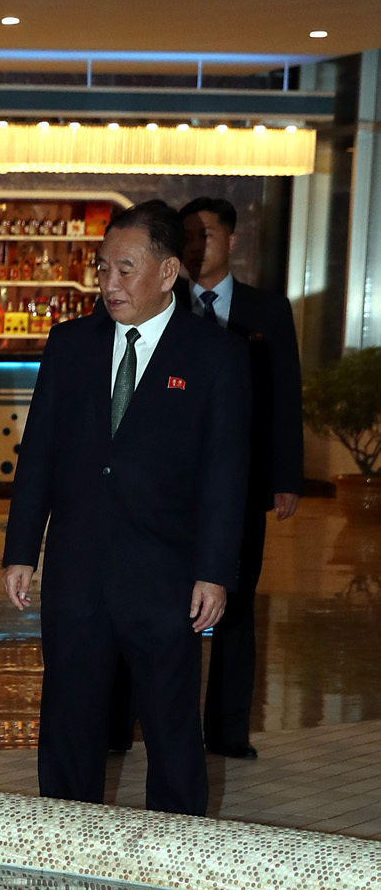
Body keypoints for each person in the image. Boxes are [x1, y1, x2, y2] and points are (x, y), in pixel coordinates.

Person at [2, 199, 250, 818]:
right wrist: (20, 550)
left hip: (166, 579)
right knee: (68, 725)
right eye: (102, 268)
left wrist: (214, 572)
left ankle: (177, 852)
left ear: (167, 273)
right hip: (77, 573)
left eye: (125, 269)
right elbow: (39, 453)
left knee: (171, 732)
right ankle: (65, 847)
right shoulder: (70, 344)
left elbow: (226, 476)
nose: (109, 283)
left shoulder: (215, 355)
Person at [181, 194, 303, 759]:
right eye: (188, 236)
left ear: (231, 240)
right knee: (160, 603)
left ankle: (227, 733)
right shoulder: (163, 305)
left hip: (243, 484)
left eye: (206, 234)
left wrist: (287, 475)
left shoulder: (268, 310)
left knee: (235, 601)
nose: (197, 246)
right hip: (173, 484)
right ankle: (147, 725)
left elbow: (284, 395)